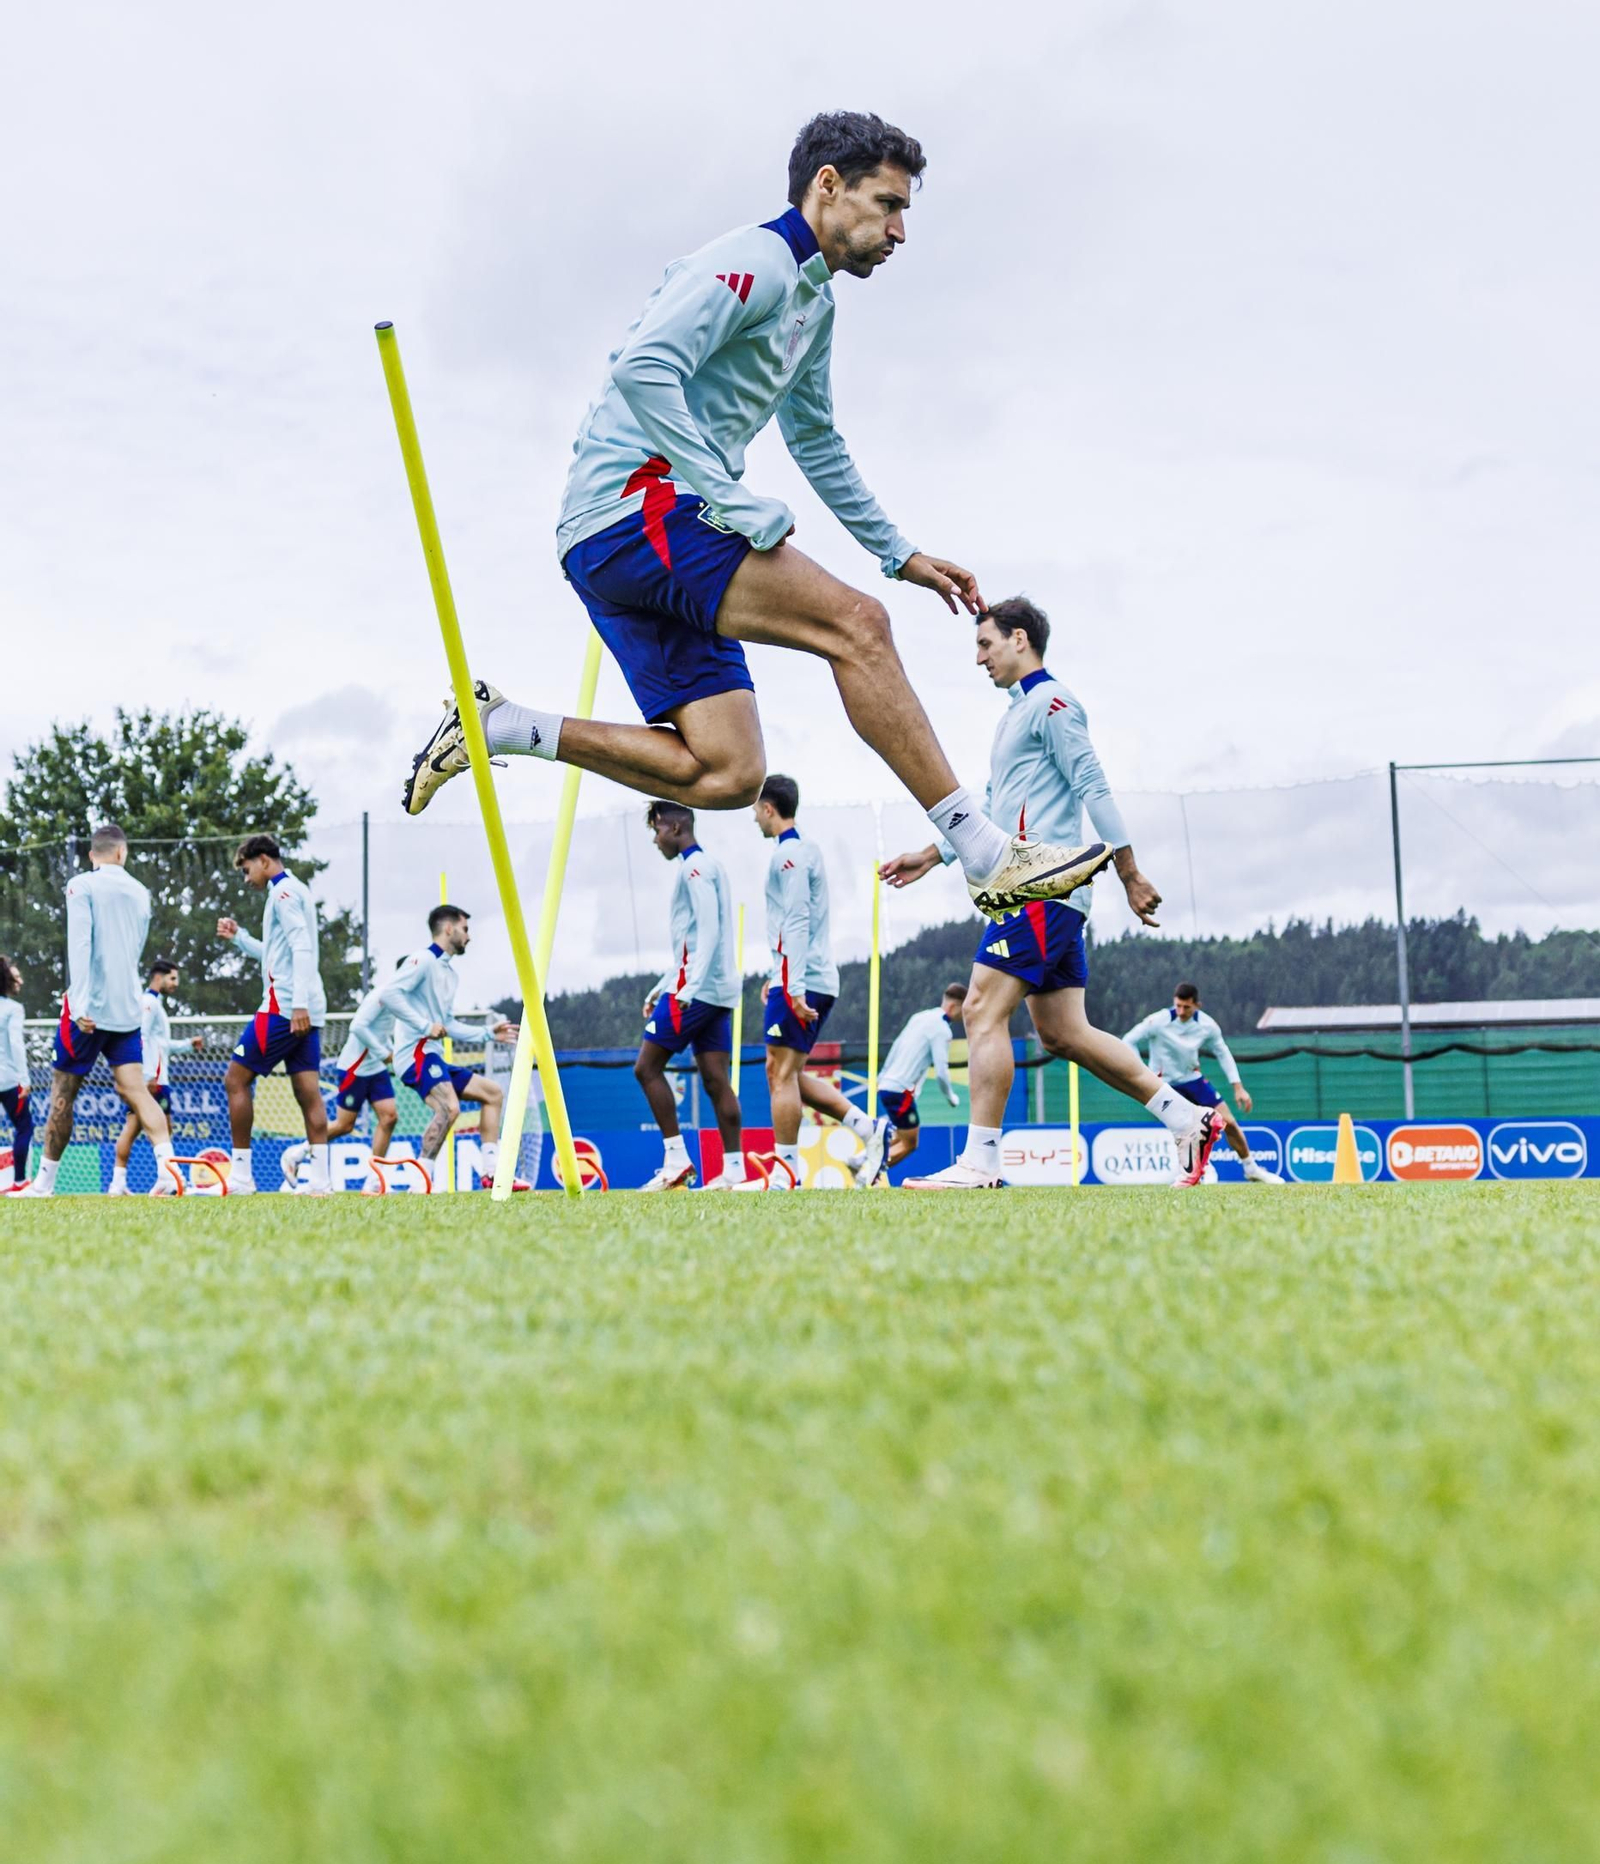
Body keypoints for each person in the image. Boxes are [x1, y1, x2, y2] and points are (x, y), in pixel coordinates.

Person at [399, 112, 1109, 925]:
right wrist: (727, 498)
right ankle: (985, 854)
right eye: (887, 204)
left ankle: (502, 727)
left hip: (623, 537)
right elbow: (643, 369)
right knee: (858, 627)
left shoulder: (816, 306)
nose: (900, 230)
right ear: (828, 186)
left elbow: (814, 439)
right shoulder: (756, 261)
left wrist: (899, 552)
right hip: (635, 512)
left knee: (728, 774)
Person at [880, 598, 1222, 1189]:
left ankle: (980, 1163)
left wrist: (1129, 871)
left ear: (1019, 639)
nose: (980, 658)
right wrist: (933, 855)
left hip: (1038, 886)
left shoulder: (1055, 703)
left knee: (983, 1009)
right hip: (1036, 892)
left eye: (986, 644)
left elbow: (1092, 783)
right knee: (1064, 1032)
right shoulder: (1015, 715)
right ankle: (1187, 1119)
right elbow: (988, 809)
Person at [11, 826, 179, 1197]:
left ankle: (44, 1185)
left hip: (86, 1011)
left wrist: (82, 1003)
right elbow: (133, 948)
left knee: (62, 1093)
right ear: (122, 853)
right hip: (127, 1009)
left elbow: (80, 943)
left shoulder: (80, 885)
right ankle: (168, 1171)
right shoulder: (141, 892)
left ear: (92, 855)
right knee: (137, 1091)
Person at [741, 772, 884, 1189]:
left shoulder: (791, 854)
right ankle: (867, 1128)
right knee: (783, 1072)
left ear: (769, 808)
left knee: (780, 1074)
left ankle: (786, 1173)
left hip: (804, 978)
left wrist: (794, 983)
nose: (754, 818)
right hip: (798, 974)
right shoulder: (803, 852)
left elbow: (797, 919)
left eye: (755, 809)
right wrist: (780, 975)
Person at [635, 802, 745, 1191]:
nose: (655, 839)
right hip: (715, 990)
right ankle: (734, 1170)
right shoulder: (707, 866)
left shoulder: (694, 868)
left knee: (646, 1068)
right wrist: (662, 987)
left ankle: (676, 1159)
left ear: (676, 826)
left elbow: (710, 931)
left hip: (695, 991)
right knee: (716, 1080)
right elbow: (693, 943)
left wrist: (687, 988)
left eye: (657, 830)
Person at [216, 833, 330, 1195]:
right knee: (308, 1092)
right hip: (309, 1006)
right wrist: (240, 938)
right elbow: (278, 952)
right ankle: (321, 1183)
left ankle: (241, 1177)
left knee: (235, 1080)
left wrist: (296, 1004)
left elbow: (300, 947)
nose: (246, 878)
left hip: (284, 1006)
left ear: (264, 860)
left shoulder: (281, 893)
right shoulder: (296, 890)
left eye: (247, 870)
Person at [375, 907, 517, 1191]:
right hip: (416, 1054)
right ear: (449, 928)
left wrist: (488, 1033)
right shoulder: (423, 960)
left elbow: (448, 1023)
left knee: (493, 1094)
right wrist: (425, 1026)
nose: (469, 937)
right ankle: (420, 1181)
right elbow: (388, 994)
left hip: (432, 1055)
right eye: (466, 929)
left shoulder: (449, 974)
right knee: (449, 1107)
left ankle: (491, 1173)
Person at [1123, 984, 1283, 1183]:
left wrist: (1238, 1087)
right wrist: (1145, 1073)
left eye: (1186, 1007)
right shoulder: (1157, 1021)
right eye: (1178, 1006)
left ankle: (1251, 1169)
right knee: (1187, 1128)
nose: (1181, 1011)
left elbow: (1223, 1053)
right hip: (1165, 1086)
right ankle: (1205, 1170)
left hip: (1193, 1080)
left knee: (1229, 1122)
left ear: (1197, 1005)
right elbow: (1128, 1040)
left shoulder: (1208, 1026)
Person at [279, 978, 399, 1194]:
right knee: (345, 1125)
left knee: (389, 1117)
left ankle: (374, 1179)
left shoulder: (402, 1000)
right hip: (354, 1067)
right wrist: (384, 1053)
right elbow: (358, 1027)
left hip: (376, 1068)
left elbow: (381, 1032)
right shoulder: (382, 995)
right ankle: (297, 1153)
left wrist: (392, 1052)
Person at [108, 956, 204, 1197]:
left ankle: (120, 1183)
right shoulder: (148, 1003)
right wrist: (146, 1076)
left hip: (156, 1077)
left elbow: (160, 1043)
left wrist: (187, 1045)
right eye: (173, 978)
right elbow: (142, 1038)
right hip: (153, 1079)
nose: (176, 983)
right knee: (150, 1127)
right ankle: (166, 1178)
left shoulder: (155, 1003)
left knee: (140, 1127)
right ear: (158, 977)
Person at [875, 984, 967, 1172]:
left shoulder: (920, 1017)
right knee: (910, 1143)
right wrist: (952, 1097)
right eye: (963, 1010)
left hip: (887, 1086)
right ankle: (865, 1170)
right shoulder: (942, 1030)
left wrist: (882, 1076)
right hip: (901, 1091)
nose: (963, 1015)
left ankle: (859, 1159)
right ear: (954, 1007)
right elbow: (942, 1072)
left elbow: (896, 1047)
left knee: (901, 1136)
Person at [0, 954, 34, 1193]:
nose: (20, 982)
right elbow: (16, 1044)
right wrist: (24, 1079)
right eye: (16, 977)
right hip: (9, 1079)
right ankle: (20, 1181)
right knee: (24, 1127)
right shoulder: (12, 1008)